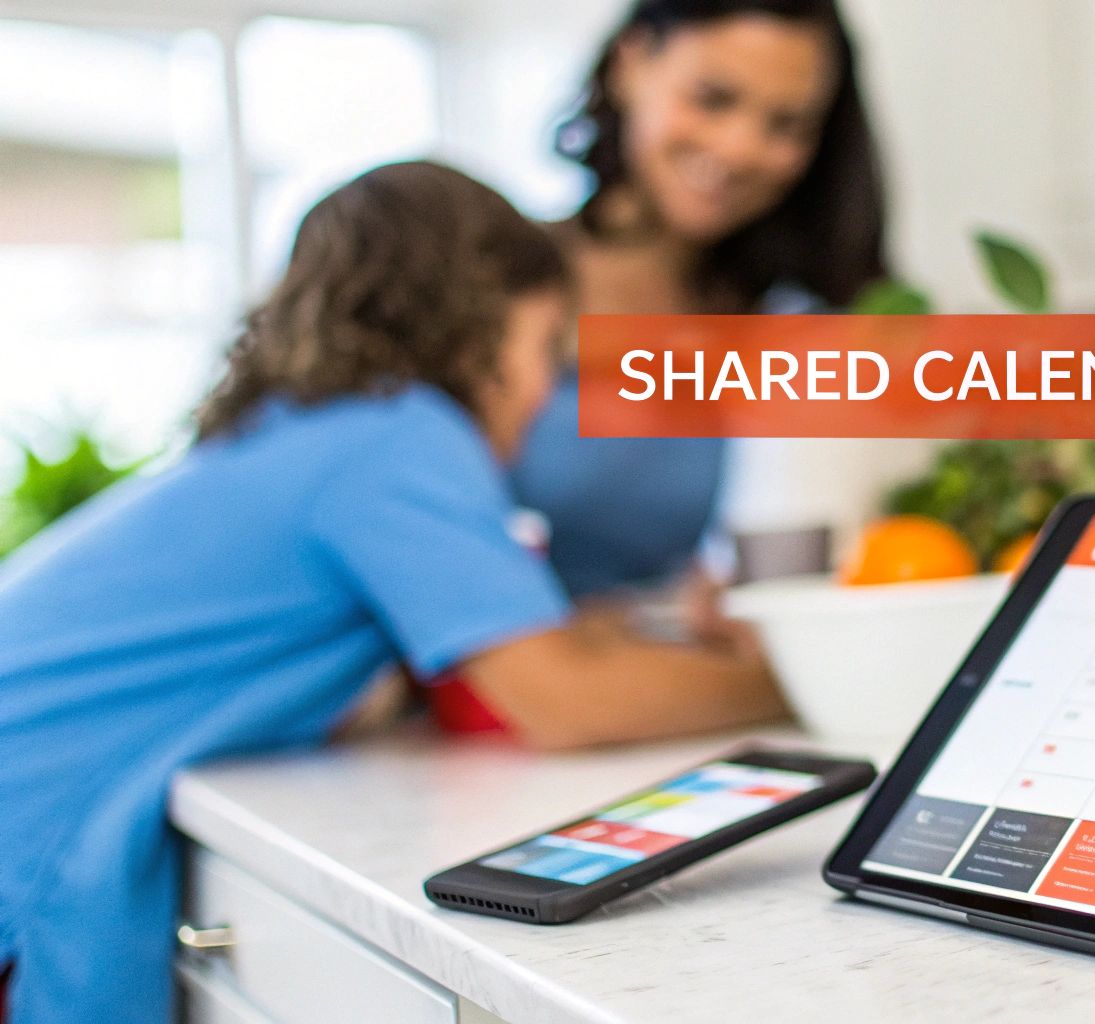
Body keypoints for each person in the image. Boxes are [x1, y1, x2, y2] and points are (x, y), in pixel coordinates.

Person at [0, 161, 782, 1024]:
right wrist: (790, 679)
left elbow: (532, 634)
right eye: (546, 348)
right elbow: (563, 696)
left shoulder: (309, 428)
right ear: (475, 322)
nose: (544, 392)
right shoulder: (404, 435)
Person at [511, 0, 888, 598]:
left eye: (785, 125)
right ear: (631, 63)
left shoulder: (792, 326)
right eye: (713, 98)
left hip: (705, 676)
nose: (739, 149)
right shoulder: (491, 282)